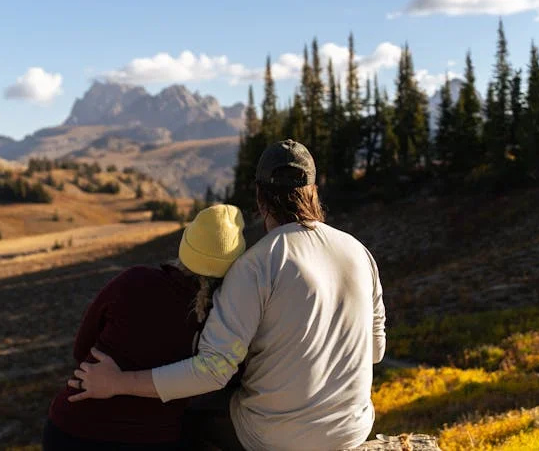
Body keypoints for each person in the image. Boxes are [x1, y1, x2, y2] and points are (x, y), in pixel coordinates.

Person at [69, 139, 387, 451]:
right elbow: (376, 351)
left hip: (273, 439)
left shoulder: (255, 265)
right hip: (352, 428)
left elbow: (212, 371)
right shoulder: (359, 251)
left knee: (190, 414)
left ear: (261, 199)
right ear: (313, 191)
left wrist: (118, 383)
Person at [44, 204, 246, 450]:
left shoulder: (133, 280)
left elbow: (81, 350)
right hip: (150, 438)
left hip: (70, 429)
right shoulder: (223, 318)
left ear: (185, 247)